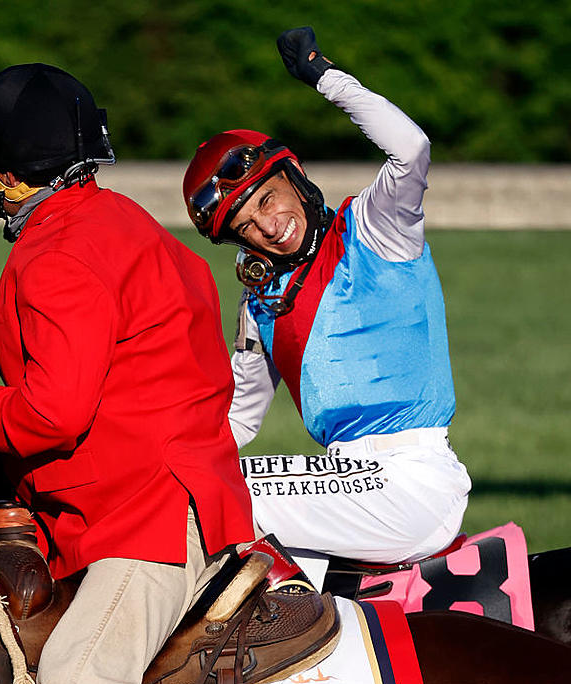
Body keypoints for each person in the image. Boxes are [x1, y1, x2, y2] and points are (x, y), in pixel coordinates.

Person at [0, 63, 254, 684]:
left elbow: (53, 412)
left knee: (76, 683)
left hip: (148, 522)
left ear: (2, 172)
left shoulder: (57, 256)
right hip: (184, 498)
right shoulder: (136, 228)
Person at [182, 26, 471, 564]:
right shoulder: (259, 303)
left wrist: (325, 76)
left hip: (412, 483)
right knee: (187, 486)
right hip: (346, 480)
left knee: (208, 499)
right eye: (246, 225)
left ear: (294, 176)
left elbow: (411, 149)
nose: (268, 227)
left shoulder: (376, 227)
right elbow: (236, 419)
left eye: (268, 199)